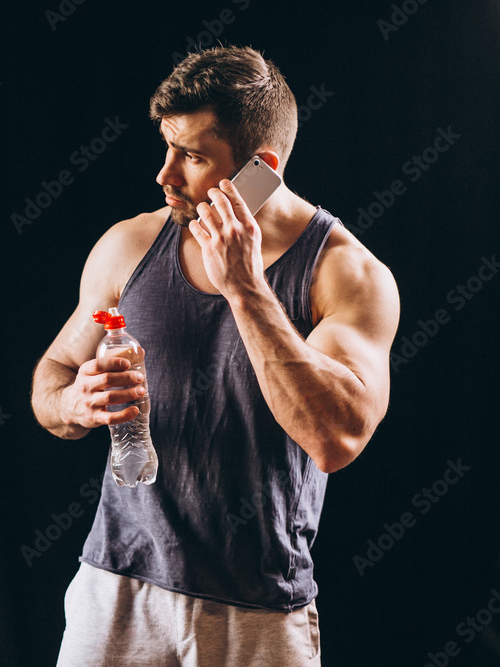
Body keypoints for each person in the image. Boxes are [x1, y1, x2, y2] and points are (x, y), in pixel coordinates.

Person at [30, 46, 400, 666]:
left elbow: (336, 439)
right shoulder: (132, 244)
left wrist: (247, 288)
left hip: (255, 608)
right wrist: (75, 402)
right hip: (116, 586)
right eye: (168, 148)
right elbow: (53, 377)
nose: (165, 174)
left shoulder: (345, 273)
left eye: (193, 156)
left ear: (262, 168)